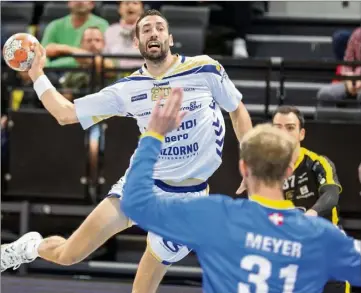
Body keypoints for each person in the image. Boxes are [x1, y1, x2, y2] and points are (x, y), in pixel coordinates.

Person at [0, 9, 253, 293]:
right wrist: (37, 74)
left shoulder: (205, 68)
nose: (154, 33)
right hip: (140, 186)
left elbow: (237, 109)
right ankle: (29, 247)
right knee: (70, 254)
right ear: (137, 43)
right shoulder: (128, 89)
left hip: (187, 201)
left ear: (170, 38)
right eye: (146, 30)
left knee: (143, 288)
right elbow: (65, 113)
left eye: (159, 28)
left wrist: (250, 158)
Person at [119, 88, 361, 293]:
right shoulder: (322, 236)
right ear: (289, 170)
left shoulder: (214, 215)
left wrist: (153, 136)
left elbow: (134, 203)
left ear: (243, 168)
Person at [272, 105, 350, 293]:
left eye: (290, 128)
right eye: (278, 128)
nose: (284, 133)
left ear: (302, 134)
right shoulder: (267, 172)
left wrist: (312, 213)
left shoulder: (317, 163)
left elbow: (331, 193)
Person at [41, 1, 109, 68]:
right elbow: (43, 52)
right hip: (55, 72)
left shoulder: (103, 25)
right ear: (69, 2)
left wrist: (63, 48)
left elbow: (105, 58)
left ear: (92, 3)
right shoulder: (54, 25)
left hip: (89, 72)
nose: (80, 1)